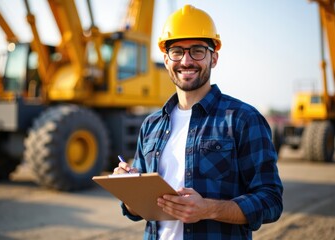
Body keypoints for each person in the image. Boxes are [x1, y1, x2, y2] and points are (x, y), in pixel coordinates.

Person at [113, 4, 283, 240]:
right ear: (165, 59)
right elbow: (138, 211)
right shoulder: (151, 125)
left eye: (197, 51)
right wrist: (129, 190)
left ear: (214, 58)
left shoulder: (243, 119)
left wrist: (209, 209)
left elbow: (271, 200)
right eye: (177, 52)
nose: (186, 61)